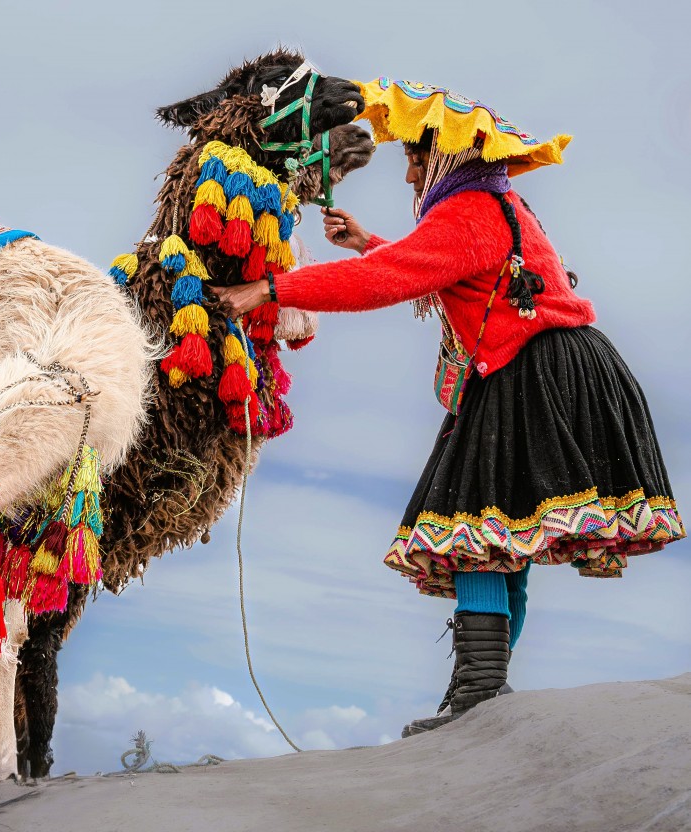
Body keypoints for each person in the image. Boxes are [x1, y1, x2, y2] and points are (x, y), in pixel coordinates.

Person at [213, 79, 684, 735]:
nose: (406, 171)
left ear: (443, 157)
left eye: (413, 157)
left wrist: (263, 289)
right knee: (496, 536)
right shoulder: (496, 204)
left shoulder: (467, 213)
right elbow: (442, 269)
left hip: (532, 374)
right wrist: (370, 242)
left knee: (477, 534)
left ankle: (477, 702)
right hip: (552, 369)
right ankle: (481, 699)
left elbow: (383, 283)